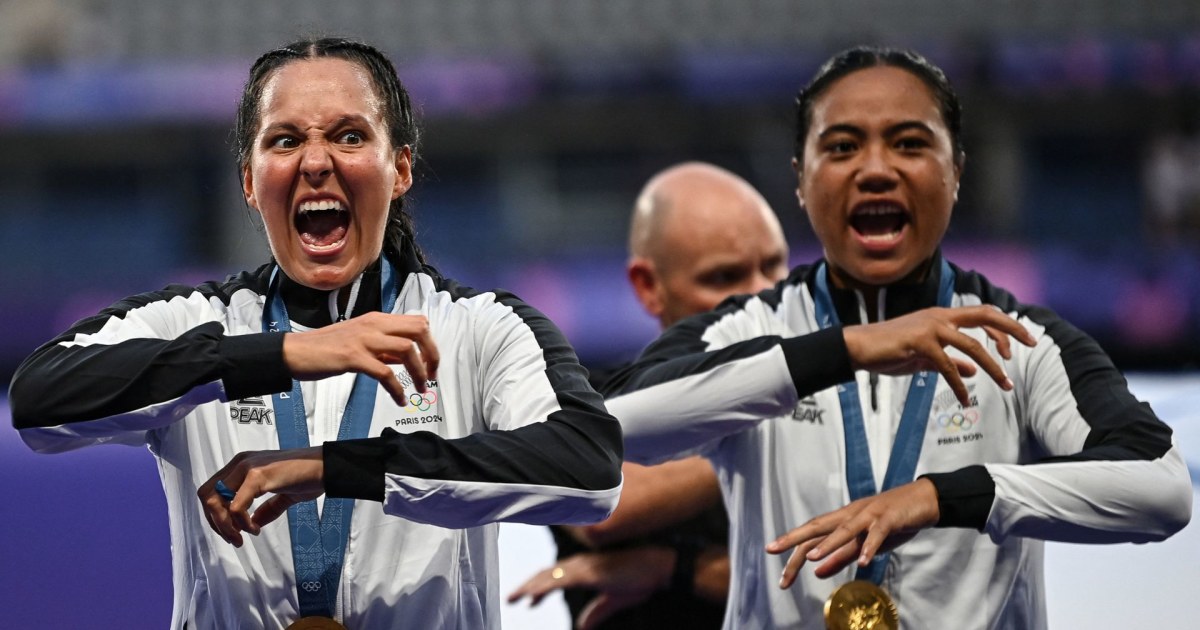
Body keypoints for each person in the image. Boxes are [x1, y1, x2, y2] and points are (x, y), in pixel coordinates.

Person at [8, 37, 622, 630]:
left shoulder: (482, 328)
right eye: (286, 140)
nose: (317, 161)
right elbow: (40, 401)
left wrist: (334, 467)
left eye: (350, 135)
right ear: (250, 181)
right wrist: (279, 354)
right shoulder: (194, 320)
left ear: (400, 168)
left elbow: (589, 471)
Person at [602, 46, 1192, 629]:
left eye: (910, 143)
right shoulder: (749, 327)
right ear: (801, 181)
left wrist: (944, 496)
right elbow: (616, 424)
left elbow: (1160, 488)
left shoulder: (1019, 340)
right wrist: (847, 348)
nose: (877, 168)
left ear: (956, 171)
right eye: (842, 147)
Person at [508, 161, 790, 629]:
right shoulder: (578, 400)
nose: (761, 296)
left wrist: (669, 567)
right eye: (724, 278)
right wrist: (779, 424)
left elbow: (821, 587)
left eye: (773, 265)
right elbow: (602, 505)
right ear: (648, 287)